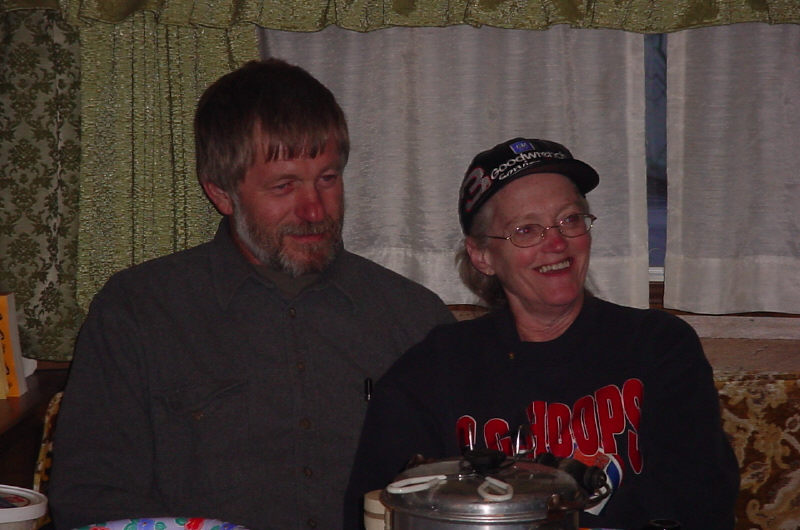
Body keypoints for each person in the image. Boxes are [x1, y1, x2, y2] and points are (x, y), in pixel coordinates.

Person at [48, 59, 455, 530]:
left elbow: (463, 488)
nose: (314, 210)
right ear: (221, 193)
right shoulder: (139, 311)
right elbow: (90, 498)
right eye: (284, 186)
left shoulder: (414, 319)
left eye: (327, 178)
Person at [344, 138, 740, 529]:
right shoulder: (434, 369)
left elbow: (702, 502)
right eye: (526, 229)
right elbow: (376, 509)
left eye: (570, 219)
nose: (556, 242)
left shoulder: (658, 346)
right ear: (482, 255)